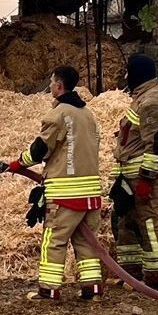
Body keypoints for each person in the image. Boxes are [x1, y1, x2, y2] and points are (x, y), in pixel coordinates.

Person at [6, 65, 104, 301]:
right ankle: (92, 289)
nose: (50, 85)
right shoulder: (88, 115)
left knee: (54, 241)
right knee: (86, 243)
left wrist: (19, 163)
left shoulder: (57, 115)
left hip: (65, 193)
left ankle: (49, 290)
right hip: (91, 192)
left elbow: (40, 150)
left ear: (59, 86)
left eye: (51, 82)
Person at [110, 52, 158, 290]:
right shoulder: (143, 98)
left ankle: (155, 277)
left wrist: (147, 179)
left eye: (128, 72)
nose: (126, 77)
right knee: (125, 223)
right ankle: (131, 275)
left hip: (145, 176)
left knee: (149, 224)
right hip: (131, 175)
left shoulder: (154, 101)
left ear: (138, 73)